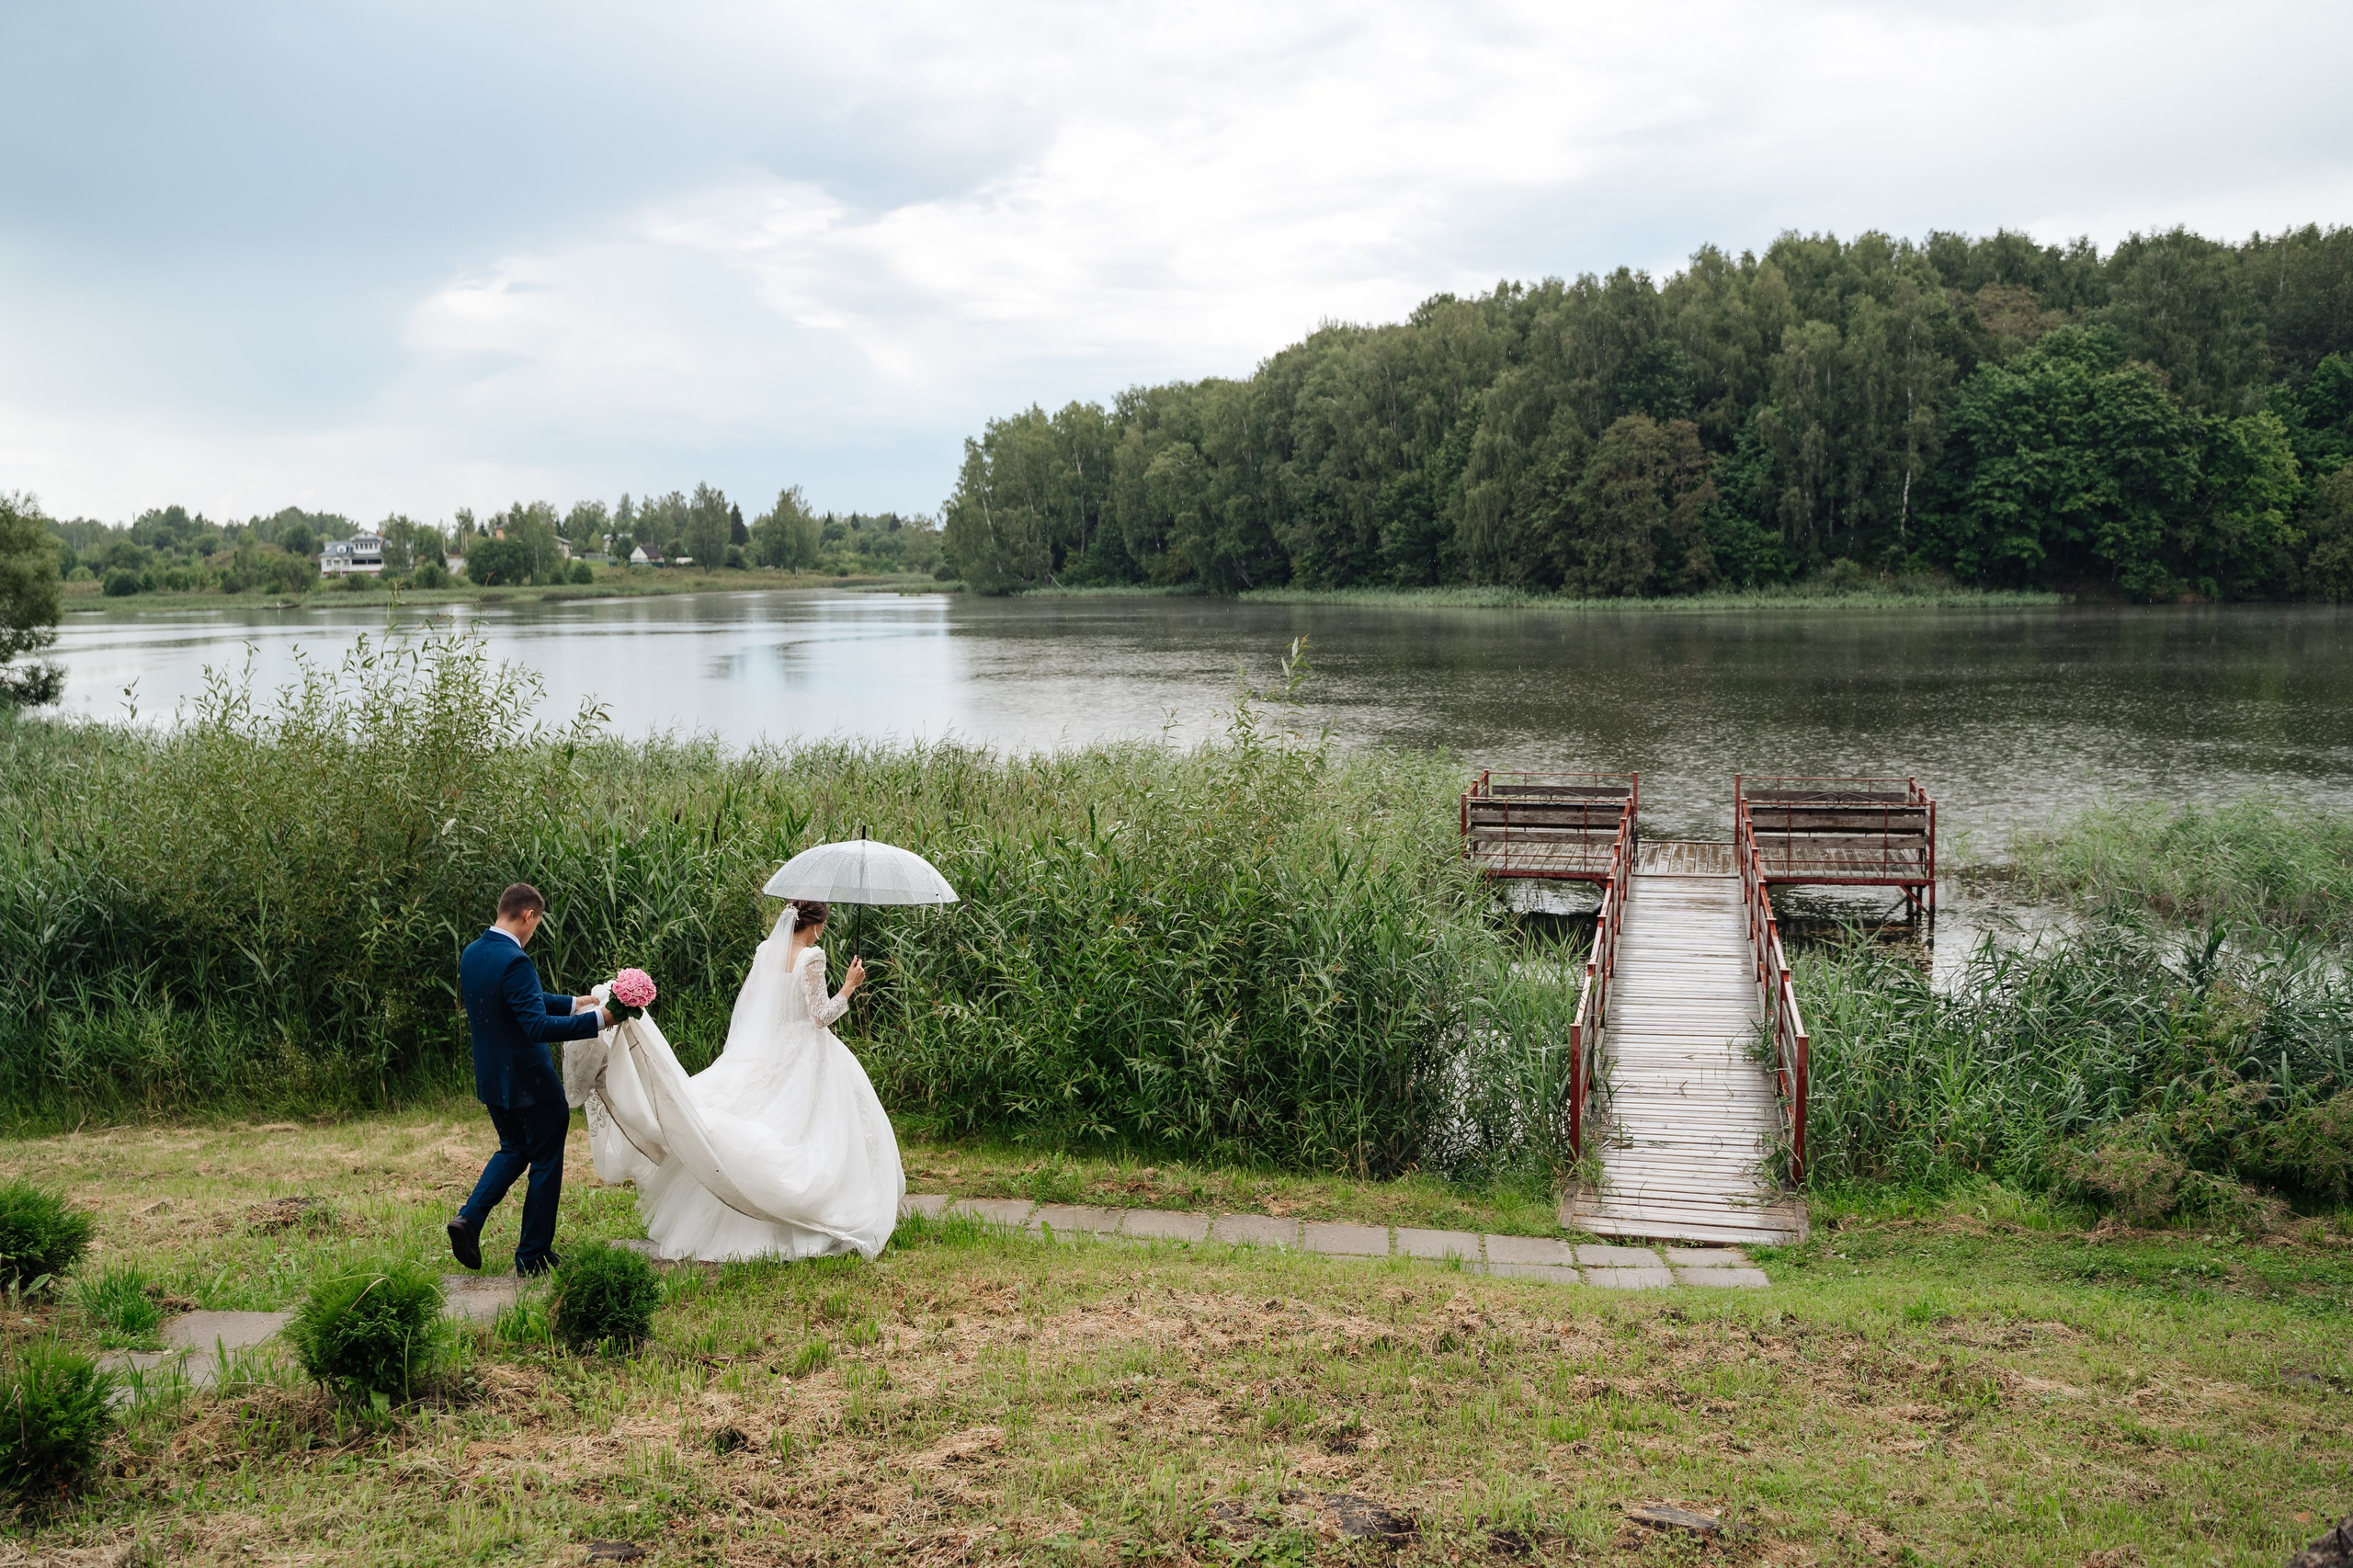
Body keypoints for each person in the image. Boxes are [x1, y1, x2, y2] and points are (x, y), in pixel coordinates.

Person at [566, 897, 904, 1261]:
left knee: (764, 1115)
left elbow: (759, 1006)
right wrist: (849, 986)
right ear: (817, 925)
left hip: (771, 1049)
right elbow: (820, 1016)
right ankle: (824, 1206)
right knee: (818, 1130)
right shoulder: (812, 957)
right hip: (808, 1052)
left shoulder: (766, 951)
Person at [448, 883, 610, 1276]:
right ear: (528, 916)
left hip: (492, 1078)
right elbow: (536, 1025)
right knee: (546, 1158)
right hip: (530, 1080)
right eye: (536, 924)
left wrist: (573, 1003)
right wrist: (599, 1020)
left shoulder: (474, 953)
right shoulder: (515, 960)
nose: (534, 930)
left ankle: (469, 1219)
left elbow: (519, 1000)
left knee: (514, 1148)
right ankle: (533, 1255)